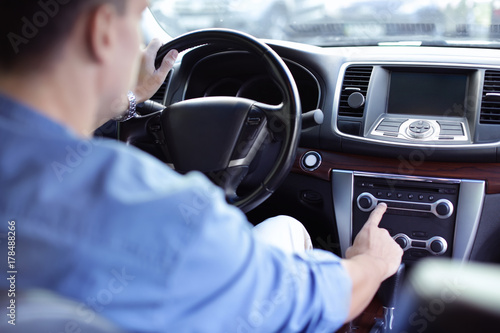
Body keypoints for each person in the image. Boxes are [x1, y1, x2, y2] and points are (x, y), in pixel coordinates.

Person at [0, 0, 403, 332]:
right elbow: (308, 298)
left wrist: (129, 99)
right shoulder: (159, 213)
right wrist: (371, 262)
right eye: (139, 17)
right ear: (103, 31)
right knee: (290, 230)